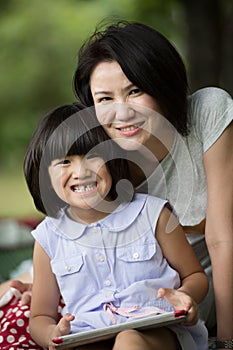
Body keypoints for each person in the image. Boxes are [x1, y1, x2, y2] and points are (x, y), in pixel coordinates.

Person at [73, 21, 233, 349]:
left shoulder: (206, 112)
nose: (122, 112)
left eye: (135, 91)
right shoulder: (98, 159)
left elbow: (221, 238)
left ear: (162, 84)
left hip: (209, 296)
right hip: (152, 311)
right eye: (104, 98)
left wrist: (227, 341)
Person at [23, 102, 208, 350]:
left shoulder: (153, 214)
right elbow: (40, 317)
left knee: (128, 340)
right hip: (87, 335)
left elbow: (196, 276)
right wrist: (51, 335)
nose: (81, 172)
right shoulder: (48, 236)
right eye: (65, 162)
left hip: (156, 330)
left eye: (92, 157)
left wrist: (186, 297)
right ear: (44, 176)